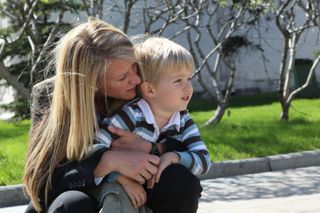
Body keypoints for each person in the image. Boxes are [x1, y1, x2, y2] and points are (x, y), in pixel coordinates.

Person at [24, 19, 203, 213]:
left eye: (134, 67)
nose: (135, 79)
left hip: (144, 185)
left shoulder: (146, 82)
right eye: (122, 77)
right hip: (86, 189)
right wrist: (107, 162)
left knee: (179, 180)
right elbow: (41, 181)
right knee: (72, 204)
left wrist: (152, 148)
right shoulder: (49, 95)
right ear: (93, 83)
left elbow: (187, 140)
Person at [93, 36, 211, 212]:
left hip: (160, 190)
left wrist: (175, 157)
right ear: (150, 89)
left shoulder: (183, 120)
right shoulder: (130, 116)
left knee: (183, 181)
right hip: (125, 189)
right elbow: (95, 149)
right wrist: (121, 178)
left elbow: (204, 160)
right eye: (178, 80)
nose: (188, 87)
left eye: (189, 78)